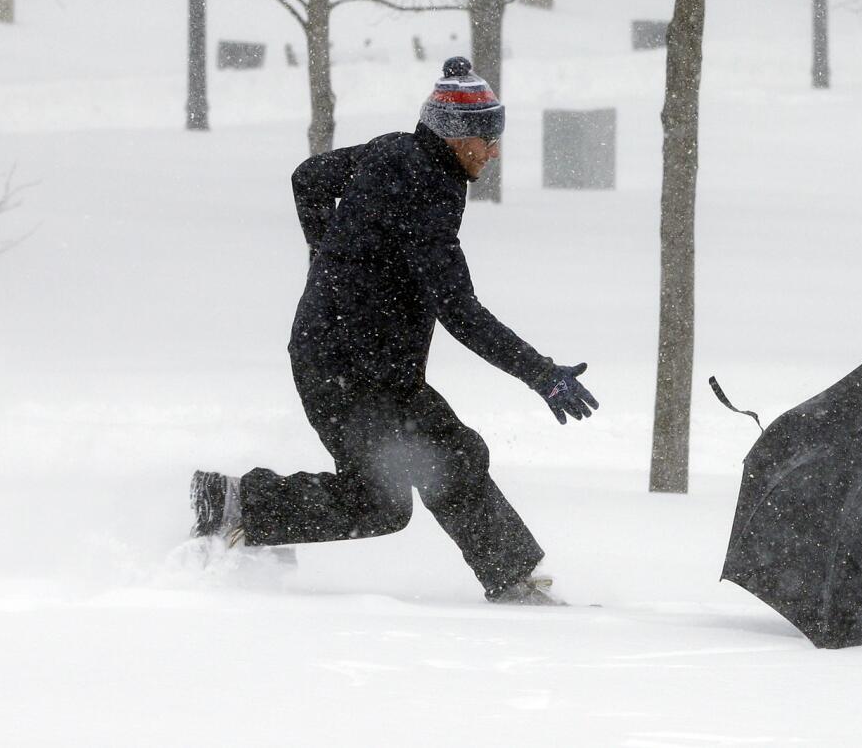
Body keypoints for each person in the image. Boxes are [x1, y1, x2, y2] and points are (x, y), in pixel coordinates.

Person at [189, 57, 598, 605]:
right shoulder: (427, 195)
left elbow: (308, 178)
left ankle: (513, 580)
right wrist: (540, 375)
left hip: (369, 361)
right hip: (344, 367)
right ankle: (233, 505)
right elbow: (460, 312)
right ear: (455, 138)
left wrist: (326, 257)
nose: (494, 151)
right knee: (378, 504)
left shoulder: (395, 149)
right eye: (486, 138)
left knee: (452, 456)